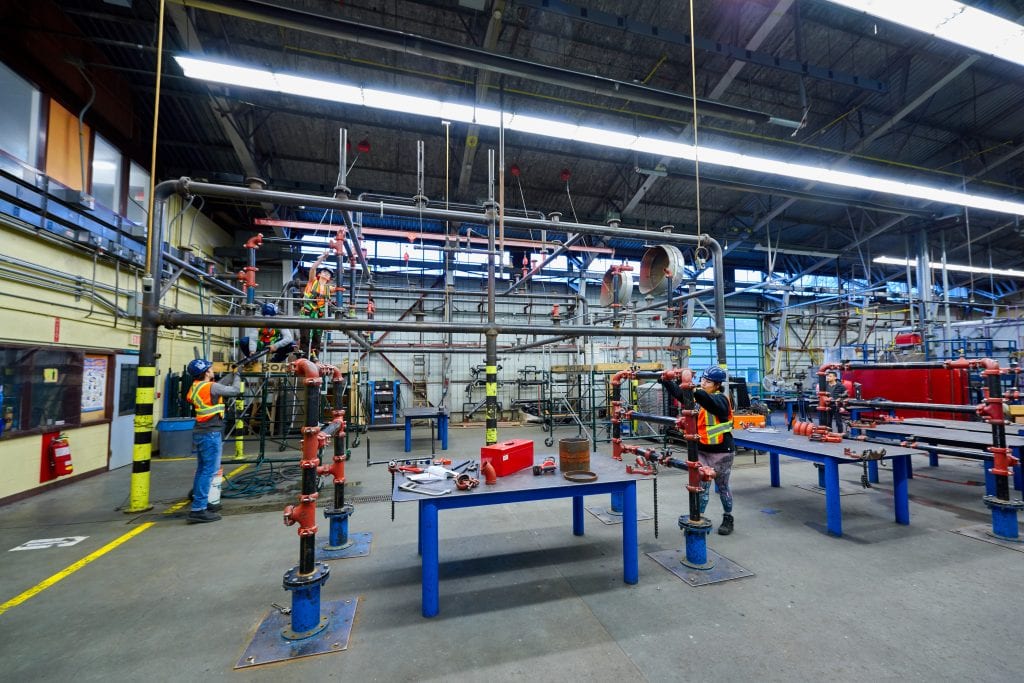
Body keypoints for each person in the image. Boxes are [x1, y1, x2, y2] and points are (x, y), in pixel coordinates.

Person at [661, 365, 736, 535]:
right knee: (702, 486)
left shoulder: (721, 400)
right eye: (702, 379)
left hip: (722, 452)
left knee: (722, 486)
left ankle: (728, 518)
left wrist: (690, 386)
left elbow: (707, 400)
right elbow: (680, 394)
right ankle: (698, 518)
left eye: (707, 381)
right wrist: (665, 380)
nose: (703, 383)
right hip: (701, 450)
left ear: (717, 385)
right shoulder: (699, 396)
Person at [185, 359, 242, 524]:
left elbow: (217, 386)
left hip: (202, 432)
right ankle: (198, 509)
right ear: (206, 372)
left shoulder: (197, 386)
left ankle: (199, 500)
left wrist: (231, 374)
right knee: (209, 471)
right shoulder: (210, 387)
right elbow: (235, 390)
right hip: (210, 433)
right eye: (210, 368)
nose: (212, 370)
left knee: (202, 469)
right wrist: (237, 375)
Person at [299, 251, 337, 358]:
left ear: (329, 278)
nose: (326, 274)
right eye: (324, 272)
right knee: (305, 336)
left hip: (319, 316)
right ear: (319, 274)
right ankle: (304, 357)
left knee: (317, 337)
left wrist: (342, 271)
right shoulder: (313, 281)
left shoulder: (329, 289)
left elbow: (339, 288)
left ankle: (314, 357)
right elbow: (312, 269)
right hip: (307, 313)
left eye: (328, 273)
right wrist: (321, 259)